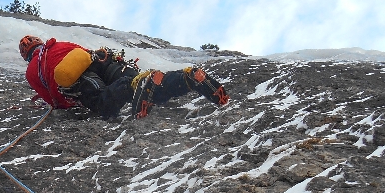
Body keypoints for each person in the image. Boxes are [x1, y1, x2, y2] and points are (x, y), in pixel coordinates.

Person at [18, 35, 229, 119]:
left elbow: (52, 99)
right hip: (102, 62)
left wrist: (66, 104)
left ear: (26, 55)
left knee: (104, 104)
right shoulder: (58, 44)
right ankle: (185, 78)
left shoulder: (31, 71)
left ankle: (134, 85)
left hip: (82, 79)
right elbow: (85, 53)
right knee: (154, 87)